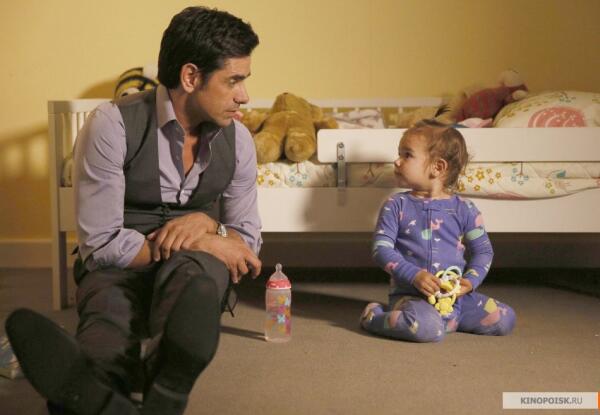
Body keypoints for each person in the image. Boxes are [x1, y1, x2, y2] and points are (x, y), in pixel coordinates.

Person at [6, 6, 261, 415]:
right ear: (191, 77)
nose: (244, 95)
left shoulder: (240, 140)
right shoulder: (112, 125)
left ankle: (159, 372)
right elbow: (102, 244)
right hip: (119, 263)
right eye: (234, 80)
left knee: (195, 281)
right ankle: (103, 389)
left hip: (192, 268)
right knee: (108, 320)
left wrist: (210, 228)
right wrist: (203, 240)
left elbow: (245, 244)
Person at [359, 119, 516, 342]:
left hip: (454, 298)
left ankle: (447, 320)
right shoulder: (396, 205)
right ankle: (374, 316)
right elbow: (381, 250)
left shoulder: (465, 209)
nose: (397, 161)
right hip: (412, 296)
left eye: (407, 155)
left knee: (505, 318)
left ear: (438, 167)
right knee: (426, 329)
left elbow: (483, 251)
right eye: (399, 153)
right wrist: (414, 275)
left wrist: (470, 281)